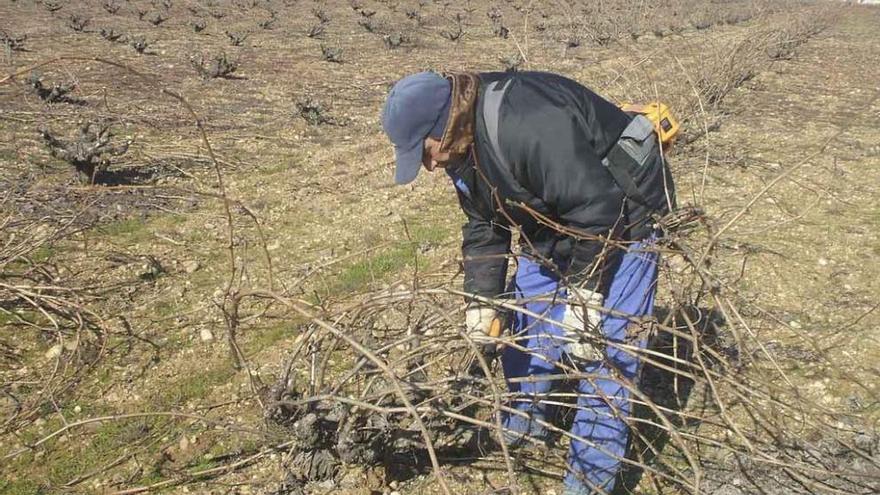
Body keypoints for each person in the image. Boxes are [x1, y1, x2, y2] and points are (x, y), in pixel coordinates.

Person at [381, 70, 676, 495]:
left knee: (605, 357)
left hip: (623, 217)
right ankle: (523, 422)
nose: (428, 166)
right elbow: (484, 221)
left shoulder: (527, 124)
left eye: (425, 152)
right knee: (529, 324)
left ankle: (588, 483)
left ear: (442, 126)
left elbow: (598, 210)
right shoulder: (459, 146)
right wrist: (481, 301)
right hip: (554, 218)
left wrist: (584, 295)